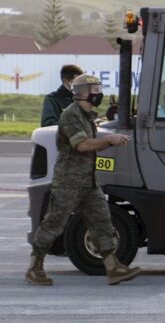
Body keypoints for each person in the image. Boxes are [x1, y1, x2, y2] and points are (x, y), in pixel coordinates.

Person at [26, 74, 141, 286]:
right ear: (82, 93)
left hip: (87, 180)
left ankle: (112, 267)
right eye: (93, 89)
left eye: (98, 88)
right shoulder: (71, 115)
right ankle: (35, 267)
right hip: (69, 181)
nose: (98, 92)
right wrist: (108, 140)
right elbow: (82, 145)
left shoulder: (87, 115)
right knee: (54, 223)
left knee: (102, 221)